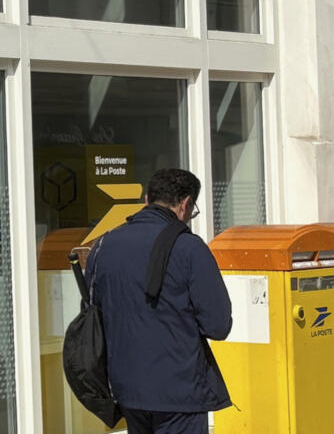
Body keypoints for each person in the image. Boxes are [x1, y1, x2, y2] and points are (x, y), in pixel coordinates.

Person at [88, 168, 232, 434]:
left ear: (146, 199)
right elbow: (218, 325)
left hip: (127, 387)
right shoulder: (189, 248)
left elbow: (94, 314)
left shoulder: (104, 245)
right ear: (186, 204)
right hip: (179, 391)